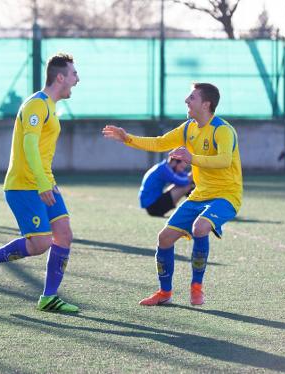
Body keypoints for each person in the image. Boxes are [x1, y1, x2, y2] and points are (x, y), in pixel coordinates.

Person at [102, 82, 242, 306]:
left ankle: (197, 287)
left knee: (200, 227)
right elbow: (159, 143)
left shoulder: (222, 130)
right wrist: (127, 138)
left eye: (192, 97)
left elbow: (225, 160)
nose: (187, 100)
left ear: (206, 104)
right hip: (199, 195)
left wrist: (192, 158)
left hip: (226, 195)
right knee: (164, 238)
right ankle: (164, 292)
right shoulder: (188, 128)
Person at [0, 53, 80, 312]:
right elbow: (30, 145)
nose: (77, 79)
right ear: (60, 77)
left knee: (64, 234)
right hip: (24, 185)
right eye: (74, 74)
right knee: (40, 244)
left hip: (44, 183)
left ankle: (48, 298)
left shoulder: (51, 107)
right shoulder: (36, 105)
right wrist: (43, 183)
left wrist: (47, 181)